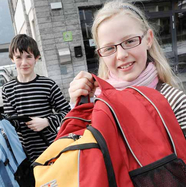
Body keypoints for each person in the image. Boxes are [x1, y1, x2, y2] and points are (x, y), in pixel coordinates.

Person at [68, 0, 186, 138]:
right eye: (109, 48)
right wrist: (77, 110)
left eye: (130, 41)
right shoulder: (95, 103)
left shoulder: (175, 102)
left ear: (148, 39)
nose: (121, 55)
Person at [0, 34, 71, 162]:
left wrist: (46, 121)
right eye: (19, 57)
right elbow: (14, 123)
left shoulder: (48, 84)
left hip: (53, 149)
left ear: (36, 58)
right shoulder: (8, 89)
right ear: (12, 59)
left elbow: (68, 113)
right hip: (26, 153)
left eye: (28, 57)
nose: (24, 62)